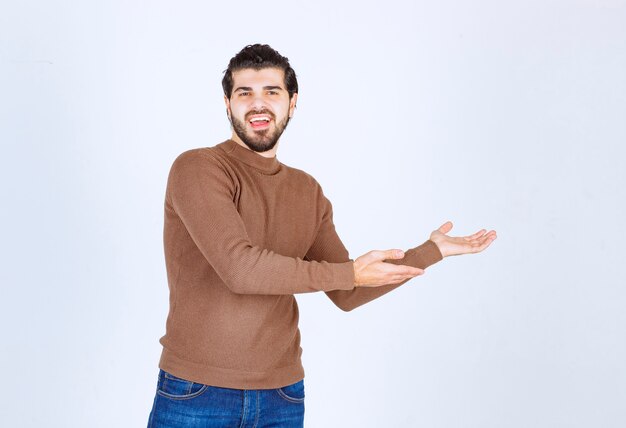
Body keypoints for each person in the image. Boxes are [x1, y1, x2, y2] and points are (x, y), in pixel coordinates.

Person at [147, 43, 497, 427]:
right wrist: (349, 273)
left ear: (292, 103)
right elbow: (240, 269)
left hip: (282, 395)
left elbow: (348, 291)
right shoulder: (198, 168)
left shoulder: (306, 191)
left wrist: (431, 251)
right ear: (227, 105)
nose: (258, 103)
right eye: (244, 93)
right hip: (198, 392)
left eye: (272, 92)